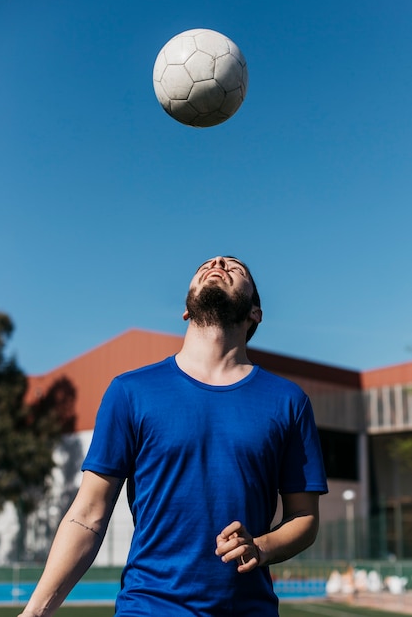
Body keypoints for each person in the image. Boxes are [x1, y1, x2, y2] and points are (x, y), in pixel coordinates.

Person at [18, 255, 328, 617]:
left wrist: (262, 547)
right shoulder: (130, 391)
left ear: (255, 313)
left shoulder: (288, 401)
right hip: (147, 607)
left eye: (235, 269)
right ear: (186, 309)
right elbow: (88, 514)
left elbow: (304, 518)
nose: (218, 265)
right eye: (206, 266)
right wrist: (34, 612)